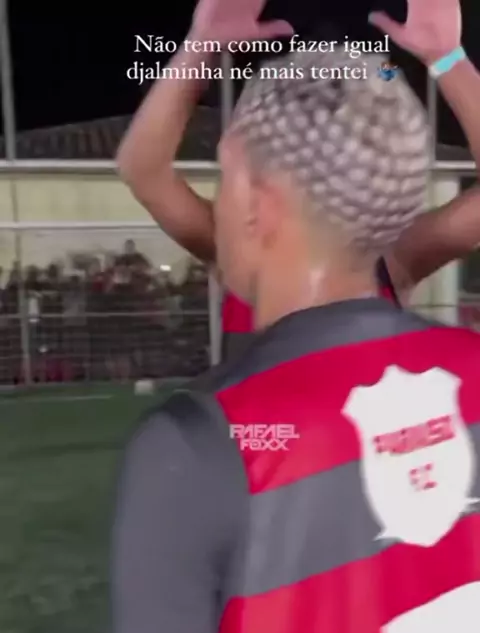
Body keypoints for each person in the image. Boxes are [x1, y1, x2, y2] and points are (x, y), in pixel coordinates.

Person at [53, 4, 480, 633]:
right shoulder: (261, 258)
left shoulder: (200, 436)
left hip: (273, 486)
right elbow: (142, 170)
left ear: (258, 199)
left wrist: (201, 49)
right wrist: (449, 61)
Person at [117, 0, 480, 363]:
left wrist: (449, 59)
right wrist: (200, 46)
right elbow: (143, 171)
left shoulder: (390, 255)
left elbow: (144, 172)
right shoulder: (242, 242)